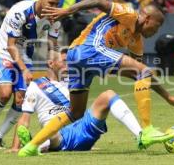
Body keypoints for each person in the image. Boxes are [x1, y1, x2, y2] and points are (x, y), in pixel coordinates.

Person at [18, 0, 174, 157]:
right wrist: (67, 11)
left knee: (76, 112)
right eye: (156, 28)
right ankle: (147, 130)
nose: (154, 33)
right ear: (148, 19)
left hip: (75, 57)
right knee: (143, 71)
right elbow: (98, 1)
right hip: (89, 49)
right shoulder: (129, 14)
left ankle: (31, 146)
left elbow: (143, 77)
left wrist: (168, 97)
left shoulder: (136, 41)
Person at [8, 49, 143, 153]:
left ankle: (141, 135)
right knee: (51, 132)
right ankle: (35, 146)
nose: (68, 65)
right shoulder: (36, 86)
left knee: (108, 95)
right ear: (51, 63)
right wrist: (15, 147)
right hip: (58, 137)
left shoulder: (75, 80)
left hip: (83, 128)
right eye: (64, 61)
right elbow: (24, 118)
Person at [0, 0, 62, 149]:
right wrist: (24, 69)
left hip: (25, 53)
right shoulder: (20, 12)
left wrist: (52, 59)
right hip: (4, 49)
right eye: (50, 3)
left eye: (56, 4)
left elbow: (53, 43)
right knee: (4, 94)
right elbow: (11, 45)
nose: (54, 8)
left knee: (20, 99)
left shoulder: (55, 18)